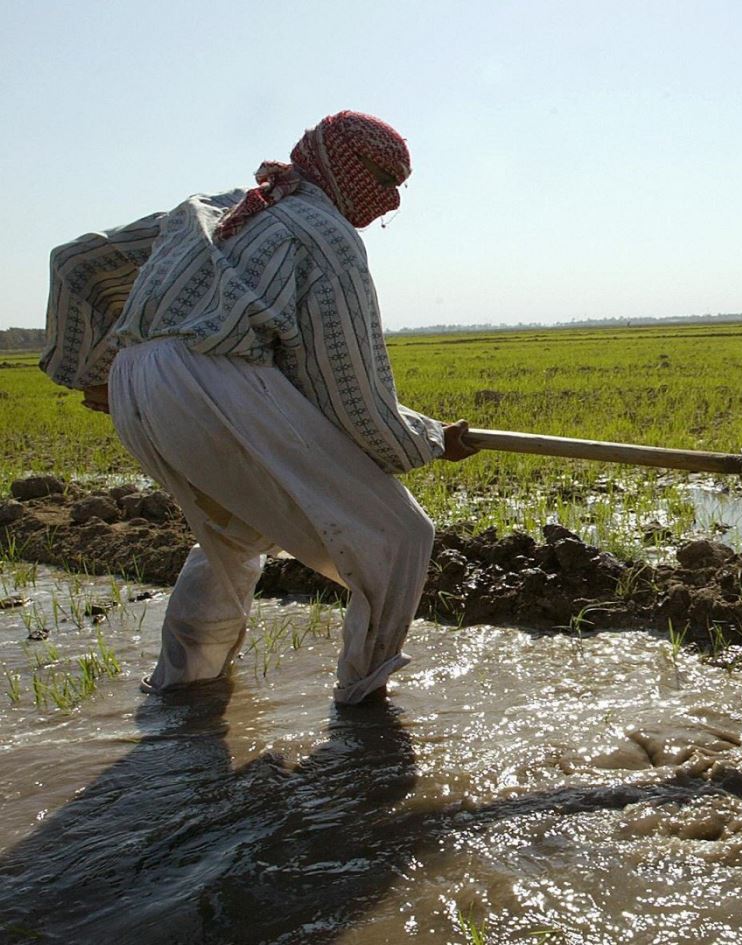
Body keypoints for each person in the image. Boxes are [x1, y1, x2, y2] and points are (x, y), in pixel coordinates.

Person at [40, 110, 478, 704]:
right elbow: (350, 391)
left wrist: (97, 372)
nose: (390, 200)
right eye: (381, 178)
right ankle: (364, 703)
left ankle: (182, 688)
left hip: (138, 382)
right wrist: (427, 441)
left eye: (399, 186)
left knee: (234, 533)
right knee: (399, 534)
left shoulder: (213, 206)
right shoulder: (325, 236)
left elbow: (75, 262)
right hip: (209, 382)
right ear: (338, 166)